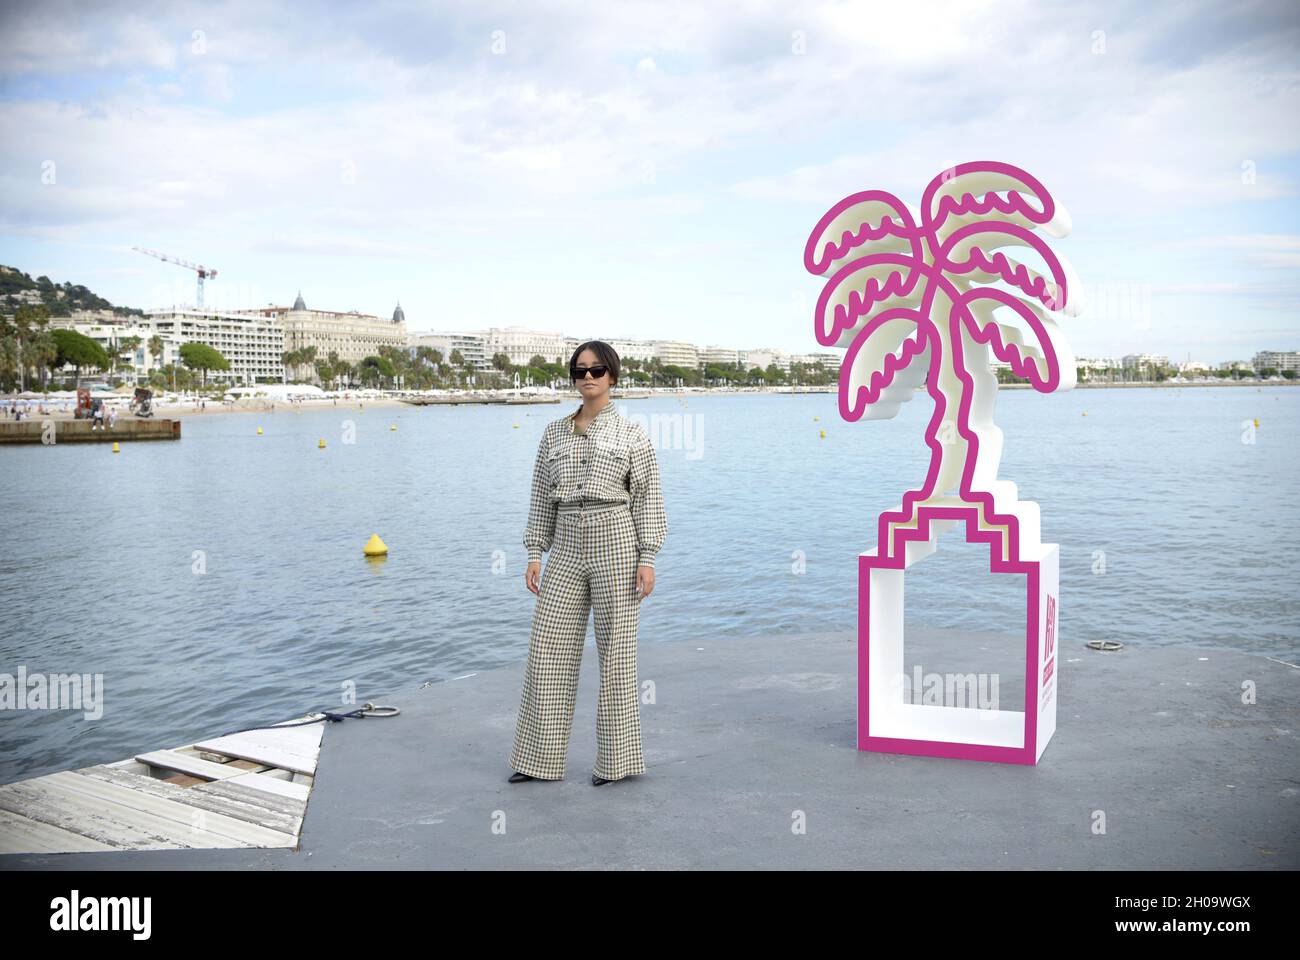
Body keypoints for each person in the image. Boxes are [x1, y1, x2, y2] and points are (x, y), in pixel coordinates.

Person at [509, 341, 667, 787]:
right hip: (565, 542)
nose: (588, 378)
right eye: (580, 371)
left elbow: (649, 499)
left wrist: (648, 558)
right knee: (547, 652)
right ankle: (537, 760)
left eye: (597, 370)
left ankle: (616, 764)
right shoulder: (553, 433)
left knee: (617, 657)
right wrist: (535, 553)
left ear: (612, 376)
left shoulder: (633, 435)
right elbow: (540, 497)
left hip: (616, 538)